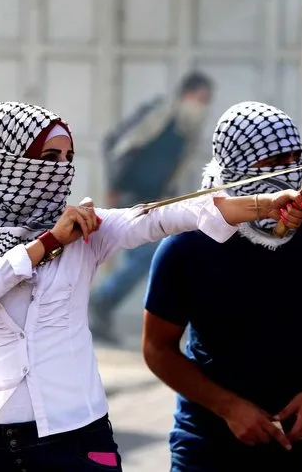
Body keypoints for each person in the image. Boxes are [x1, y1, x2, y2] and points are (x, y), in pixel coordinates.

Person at [0, 101, 302, 472]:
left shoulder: (87, 227)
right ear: (2, 162)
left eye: (67, 157)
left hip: (78, 437)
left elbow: (167, 216)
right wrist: (47, 243)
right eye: (48, 156)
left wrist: (263, 204)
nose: (59, 169)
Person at [142, 101, 302, 472]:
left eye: (295, 160)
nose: (288, 176)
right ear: (235, 171)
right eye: (271, 166)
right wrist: (229, 407)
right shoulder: (187, 242)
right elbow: (157, 348)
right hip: (208, 448)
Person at [90, 71, 213, 343]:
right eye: (199, 98)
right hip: (130, 194)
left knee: (153, 256)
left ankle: (103, 306)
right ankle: (101, 302)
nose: (202, 105)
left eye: (207, 100)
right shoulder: (160, 115)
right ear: (185, 95)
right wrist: (114, 185)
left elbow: (175, 171)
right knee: (147, 255)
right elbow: (118, 144)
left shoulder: (188, 131)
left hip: (154, 201)